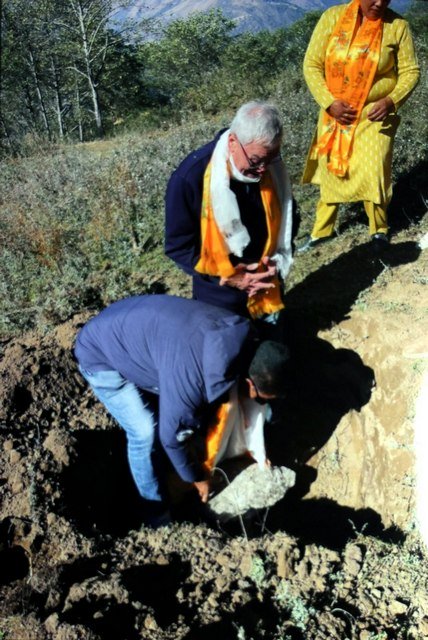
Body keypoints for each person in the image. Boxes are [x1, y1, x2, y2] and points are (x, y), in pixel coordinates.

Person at [74, 294, 291, 526]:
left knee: (184, 410)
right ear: (249, 383)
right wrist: (197, 478)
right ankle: (155, 516)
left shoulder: (239, 334)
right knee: (146, 430)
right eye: (259, 399)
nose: (258, 404)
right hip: (99, 354)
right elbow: (171, 438)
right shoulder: (193, 379)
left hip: (135, 324)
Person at [298, 0, 420, 252]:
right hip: (337, 112)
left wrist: (391, 101)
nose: (379, 3)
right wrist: (329, 103)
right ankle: (321, 231)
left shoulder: (397, 26)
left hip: (374, 113)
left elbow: (411, 71)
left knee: (374, 168)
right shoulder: (332, 18)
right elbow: (312, 64)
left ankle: (379, 230)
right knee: (332, 169)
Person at [165, 101, 298, 329]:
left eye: (271, 159)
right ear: (233, 142)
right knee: (231, 357)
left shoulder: (270, 167)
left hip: (269, 286)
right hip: (220, 299)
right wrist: (229, 276)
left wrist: (276, 261)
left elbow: (290, 214)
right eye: (256, 161)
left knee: (274, 353)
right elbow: (178, 248)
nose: (263, 171)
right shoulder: (190, 178)